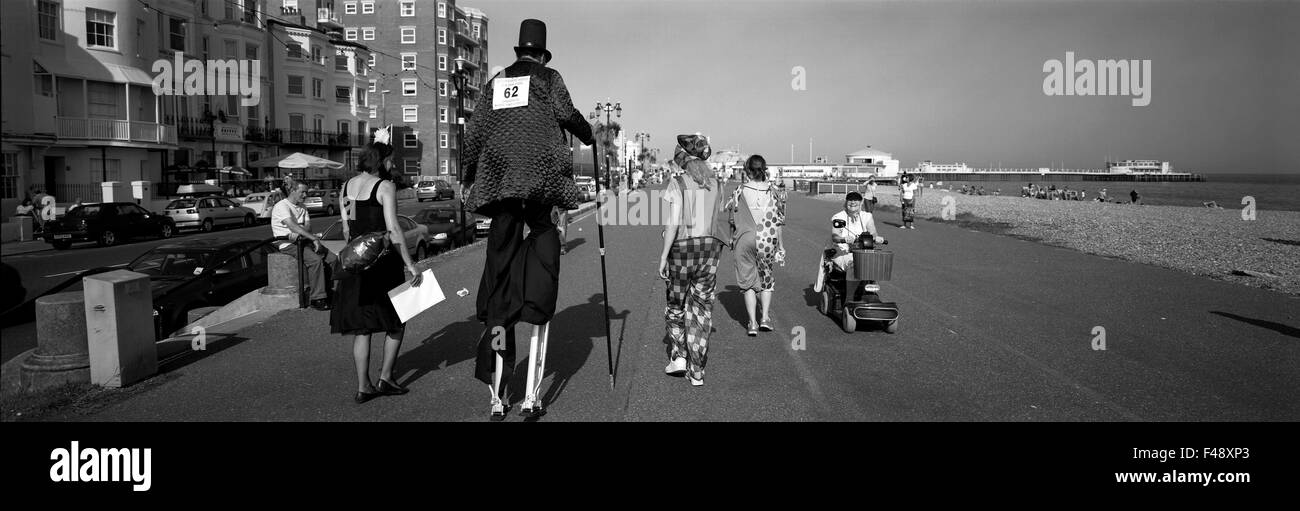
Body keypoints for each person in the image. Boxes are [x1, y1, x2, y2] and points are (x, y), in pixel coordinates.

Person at [461, 18, 596, 417]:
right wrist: (589, 135)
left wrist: (469, 178)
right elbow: (567, 114)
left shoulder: (497, 82)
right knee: (541, 257)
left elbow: (475, 134)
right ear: (541, 53)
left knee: (500, 290)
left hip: (501, 185)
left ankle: (497, 394)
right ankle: (532, 394)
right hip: (538, 184)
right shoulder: (549, 78)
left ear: (520, 50)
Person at [331, 127, 423, 404]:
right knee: (397, 321)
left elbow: (347, 231)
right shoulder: (385, 186)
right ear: (381, 161)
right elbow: (393, 229)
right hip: (383, 264)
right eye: (390, 160)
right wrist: (411, 264)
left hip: (356, 264)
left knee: (362, 328)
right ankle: (385, 377)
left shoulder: (346, 188)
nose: (392, 164)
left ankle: (364, 386)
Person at [658, 134, 731, 386]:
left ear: (681, 161)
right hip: (710, 250)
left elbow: (673, 222)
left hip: (682, 250)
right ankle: (697, 370)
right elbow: (717, 211)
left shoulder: (677, 183)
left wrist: (663, 256)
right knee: (701, 307)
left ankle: (678, 356)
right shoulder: (717, 183)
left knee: (676, 303)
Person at [728, 155, 784, 336]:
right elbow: (778, 222)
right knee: (766, 280)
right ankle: (765, 318)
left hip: (744, 238)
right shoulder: (775, 191)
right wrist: (780, 246)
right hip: (768, 238)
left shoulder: (739, 190)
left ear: (747, 170)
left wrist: (731, 239)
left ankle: (752, 323)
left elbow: (732, 219)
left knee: (748, 283)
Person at [271, 182, 335, 311]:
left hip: (304, 240)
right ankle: (317, 298)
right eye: (303, 192)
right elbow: (292, 225)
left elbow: (308, 227)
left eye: (306, 192)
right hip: (287, 243)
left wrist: (303, 234)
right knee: (315, 261)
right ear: (293, 190)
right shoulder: (281, 206)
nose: (305, 195)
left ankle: (331, 291)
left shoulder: (303, 207)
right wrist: (313, 238)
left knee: (333, 259)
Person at [828, 191, 884, 274]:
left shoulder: (867, 216)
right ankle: (851, 287)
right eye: (850, 199)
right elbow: (835, 236)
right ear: (846, 202)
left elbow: (873, 233)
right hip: (843, 253)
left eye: (856, 199)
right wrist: (843, 239)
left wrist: (877, 238)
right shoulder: (839, 217)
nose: (853, 202)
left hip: (863, 252)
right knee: (854, 263)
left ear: (861, 202)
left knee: (876, 262)